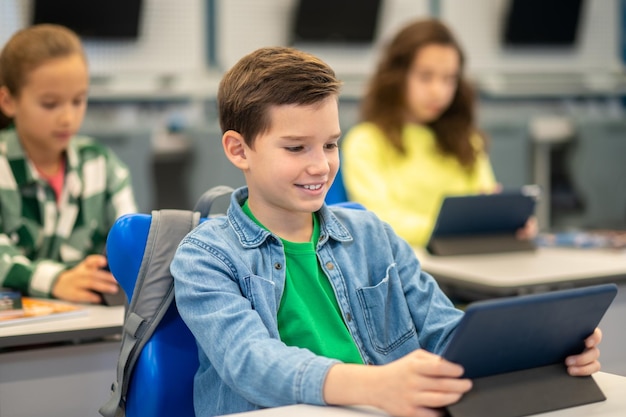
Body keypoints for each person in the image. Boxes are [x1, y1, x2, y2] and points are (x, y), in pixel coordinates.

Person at [170, 46, 601, 417]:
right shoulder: (206, 256)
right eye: (296, 147)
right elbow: (249, 361)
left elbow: (444, 331)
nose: (320, 165)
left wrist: (543, 348)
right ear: (238, 149)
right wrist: (376, 386)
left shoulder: (370, 236)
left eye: (330, 144)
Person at [341, 18, 535, 248]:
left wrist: (512, 223)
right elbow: (380, 222)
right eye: (425, 77)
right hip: (406, 268)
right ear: (396, 77)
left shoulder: (466, 140)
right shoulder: (365, 142)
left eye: (449, 79)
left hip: (469, 258)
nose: (438, 91)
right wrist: (459, 229)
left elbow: (485, 201)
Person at [0, 24, 137, 303]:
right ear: (8, 101)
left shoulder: (103, 164)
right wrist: (58, 280)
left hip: (89, 328)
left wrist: (104, 270)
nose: (67, 118)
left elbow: (133, 244)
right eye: (50, 104)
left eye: (78, 101)